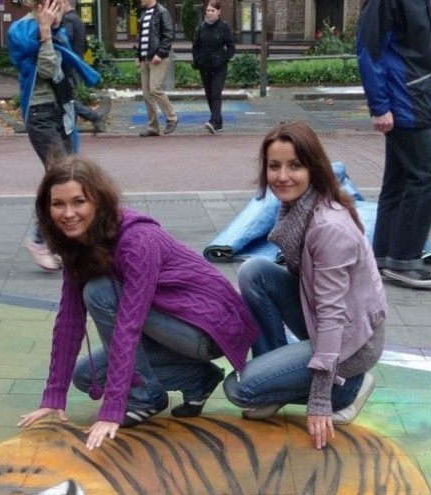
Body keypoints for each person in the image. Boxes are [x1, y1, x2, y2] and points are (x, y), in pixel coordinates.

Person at [18, 156, 258, 449]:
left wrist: (114, 407)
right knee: (88, 377)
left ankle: (145, 397)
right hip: (169, 322)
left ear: (98, 202)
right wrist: (54, 395)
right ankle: (198, 379)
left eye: (78, 202)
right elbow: (69, 319)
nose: (68, 213)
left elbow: (128, 327)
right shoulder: (77, 244)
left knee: (99, 293)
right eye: (58, 204)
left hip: (207, 328)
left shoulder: (137, 241)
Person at [223, 122, 387, 452]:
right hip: (328, 320)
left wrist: (320, 399)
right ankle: (274, 384)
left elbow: (332, 315)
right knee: (255, 272)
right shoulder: (298, 208)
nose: (282, 176)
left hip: (352, 343)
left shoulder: (328, 228)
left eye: (295, 166)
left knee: (239, 389)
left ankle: (348, 389)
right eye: (274, 166)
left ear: (313, 167)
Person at [356, 0, 431, 290]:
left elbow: (421, 49)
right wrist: (379, 106)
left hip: (418, 95)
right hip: (405, 99)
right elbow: (369, 48)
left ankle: (385, 257)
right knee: (426, 176)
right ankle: (404, 259)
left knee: (398, 181)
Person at [8, 0, 78, 272]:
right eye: (57, 6)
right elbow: (47, 69)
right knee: (61, 178)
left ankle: (57, 242)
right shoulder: (21, 31)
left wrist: (52, 31)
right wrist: (46, 33)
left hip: (60, 111)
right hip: (40, 115)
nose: (64, 10)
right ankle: (39, 240)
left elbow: (65, 72)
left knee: (71, 177)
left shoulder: (57, 30)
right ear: (41, 7)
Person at [61, 0, 110, 134]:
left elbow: (66, 37)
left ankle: (93, 117)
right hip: (77, 62)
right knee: (68, 95)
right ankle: (72, 126)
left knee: (65, 97)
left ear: (66, 3)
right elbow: (85, 44)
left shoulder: (68, 19)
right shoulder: (78, 19)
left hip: (69, 64)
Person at [191, 0, 234, 134]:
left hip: (219, 68)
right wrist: (197, 60)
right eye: (208, 10)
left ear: (218, 12)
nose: (210, 13)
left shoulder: (223, 27)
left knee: (215, 93)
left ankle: (213, 121)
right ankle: (218, 122)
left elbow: (231, 48)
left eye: (213, 11)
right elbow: (196, 46)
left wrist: (223, 59)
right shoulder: (202, 27)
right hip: (205, 67)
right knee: (209, 95)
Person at [137, 0, 178, 138]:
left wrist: (160, 53)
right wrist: (138, 55)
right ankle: (153, 127)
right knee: (146, 95)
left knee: (154, 89)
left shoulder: (162, 12)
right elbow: (141, 37)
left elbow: (168, 34)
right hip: (145, 58)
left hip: (157, 58)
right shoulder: (144, 13)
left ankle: (172, 117)